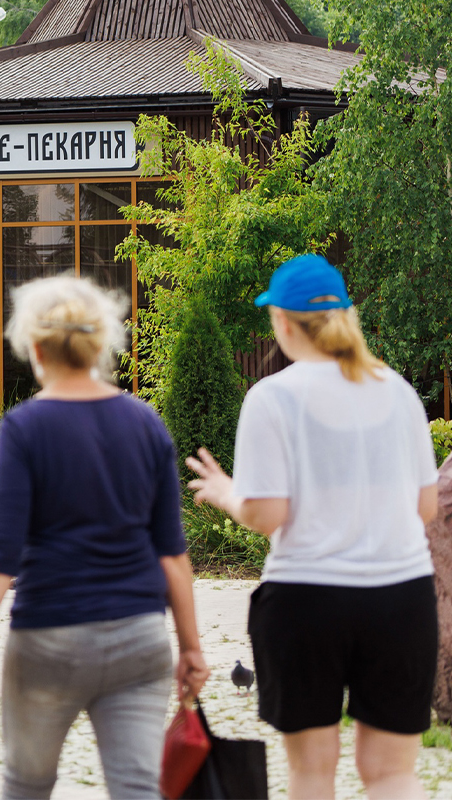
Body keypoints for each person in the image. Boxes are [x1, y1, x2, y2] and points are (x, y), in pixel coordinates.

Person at [186, 254, 440, 800]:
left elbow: (267, 514)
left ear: (280, 321)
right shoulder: (398, 393)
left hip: (307, 600)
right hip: (402, 599)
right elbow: (424, 510)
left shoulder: (272, 397)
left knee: (311, 772)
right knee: (393, 773)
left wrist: (228, 493)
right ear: (345, 315)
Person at [0, 275, 208, 800]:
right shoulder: (146, 423)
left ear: (36, 346)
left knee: (27, 785)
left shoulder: (25, 428)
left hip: (49, 638)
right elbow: (173, 555)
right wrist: (191, 648)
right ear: (100, 343)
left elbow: (0, 555)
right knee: (139, 787)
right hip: (140, 638)